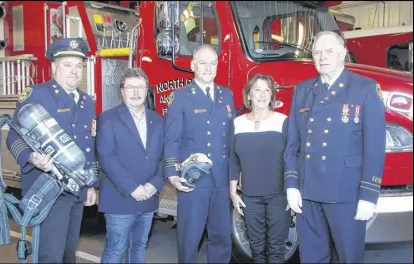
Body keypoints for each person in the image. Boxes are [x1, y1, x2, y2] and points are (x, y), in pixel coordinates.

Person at [284, 31, 386, 263]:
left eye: (329, 51)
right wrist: (291, 184)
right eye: (317, 52)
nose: (322, 57)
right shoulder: (303, 90)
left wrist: (369, 194)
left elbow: (374, 146)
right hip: (308, 191)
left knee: (349, 257)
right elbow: (293, 143)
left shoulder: (365, 88)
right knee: (311, 257)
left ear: (343, 54)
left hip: (345, 192)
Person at [6, 37, 98, 263]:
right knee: (50, 255)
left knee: (68, 253)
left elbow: (88, 147)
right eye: (67, 65)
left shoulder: (87, 102)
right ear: (54, 67)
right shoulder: (37, 94)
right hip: (48, 189)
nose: (74, 71)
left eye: (79, 65)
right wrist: (32, 158)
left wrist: (91, 185)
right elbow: (13, 136)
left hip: (76, 190)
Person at [163, 44, 235, 263]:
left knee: (222, 237)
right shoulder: (181, 96)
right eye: (202, 63)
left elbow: (231, 138)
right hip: (193, 179)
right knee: (190, 237)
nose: (208, 68)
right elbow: (172, 138)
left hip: (222, 179)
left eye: (212, 63)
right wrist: (172, 173)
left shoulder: (227, 94)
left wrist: (236, 174)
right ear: (193, 65)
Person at [96, 68, 165, 263]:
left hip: (148, 198)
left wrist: (155, 185)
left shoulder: (158, 120)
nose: (136, 92)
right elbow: (106, 157)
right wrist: (132, 188)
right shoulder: (108, 118)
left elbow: (164, 157)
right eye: (130, 87)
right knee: (116, 250)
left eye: (140, 87)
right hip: (120, 199)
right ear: (122, 92)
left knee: (139, 247)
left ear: (147, 90)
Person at [230, 73, 291, 263]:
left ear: (272, 96)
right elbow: (233, 160)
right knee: (256, 251)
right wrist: (233, 193)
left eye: (267, 90)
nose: (263, 94)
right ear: (249, 95)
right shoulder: (237, 123)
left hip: (279, 197)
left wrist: (294, 190)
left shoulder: (283, 121)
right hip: (250, 198)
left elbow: (292, 159)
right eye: (258, 89)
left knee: (276, 251)